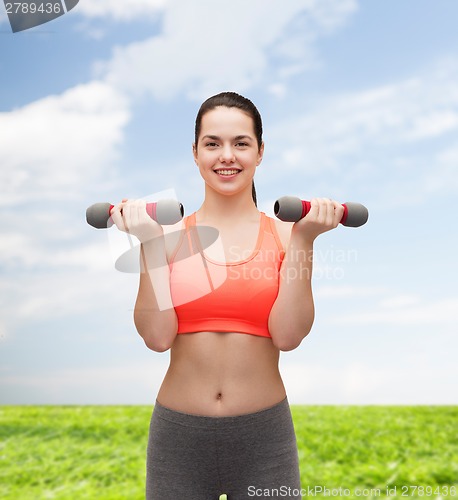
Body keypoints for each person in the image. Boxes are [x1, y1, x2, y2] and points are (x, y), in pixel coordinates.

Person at [110, 92, 344, 499]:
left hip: (264, 437)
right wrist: (147, 241)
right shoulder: (167, 237)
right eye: (212, 143)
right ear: (196, 152)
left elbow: (288, 336)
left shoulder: (288, 234)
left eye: (241, 143)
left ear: (260, 151)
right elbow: (156, 337)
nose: (226, 156)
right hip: (179, 437)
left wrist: (306, 238)